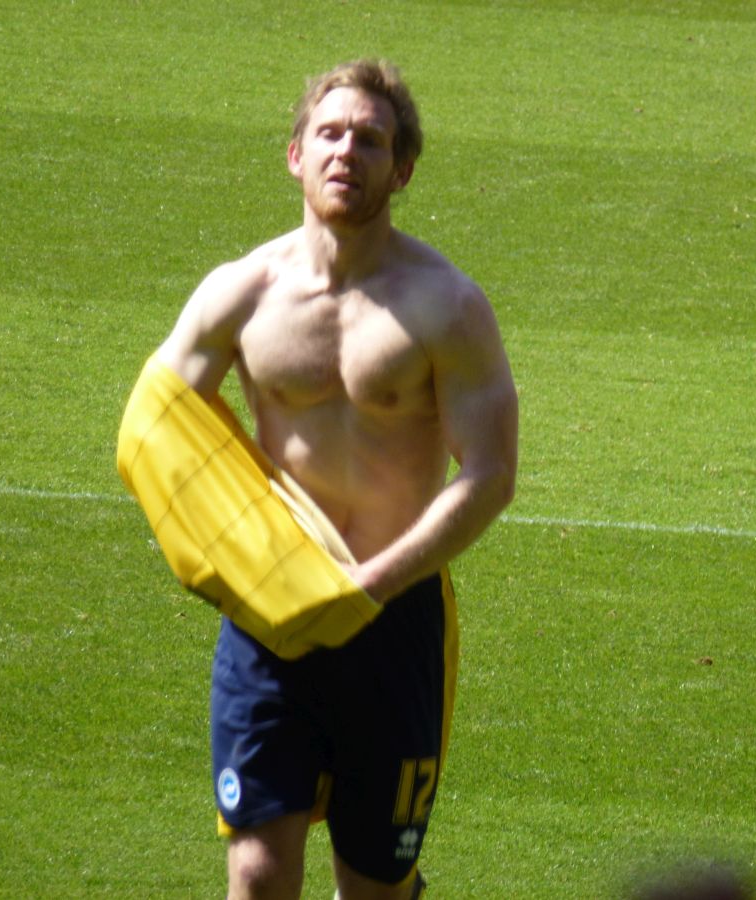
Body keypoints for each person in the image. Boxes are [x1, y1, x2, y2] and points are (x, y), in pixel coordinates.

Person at [151, 60, 518, 899]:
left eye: (371, 139)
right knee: (255, 874)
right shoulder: (241, 295)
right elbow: (158, 427)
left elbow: (490, 475)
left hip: (395, 624)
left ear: (403, 169)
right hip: (271, 622)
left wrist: (370, 585)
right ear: (294, 155)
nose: (347, 150)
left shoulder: (447, 307)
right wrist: (223, 565)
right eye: (330, 133)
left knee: (373, 888)